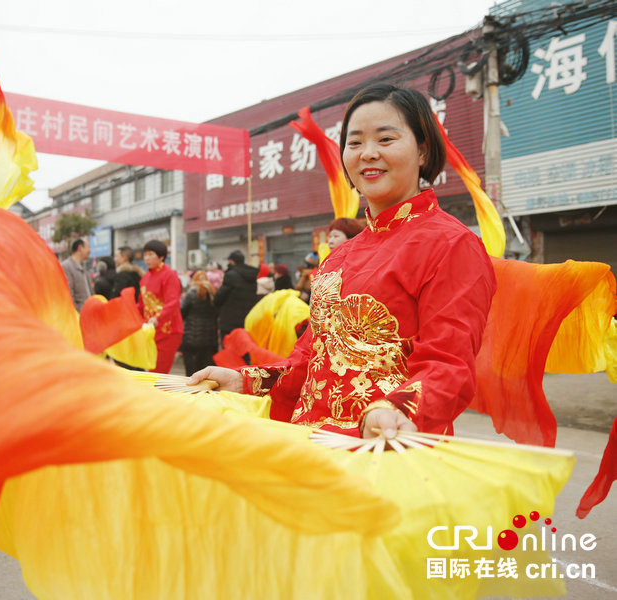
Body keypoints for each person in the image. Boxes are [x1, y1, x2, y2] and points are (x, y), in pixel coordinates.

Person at [191, 83, 496, 440]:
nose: (368, 153)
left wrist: (395, 409)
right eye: (355, 143)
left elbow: (450, 365)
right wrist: (245, 379)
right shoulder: (339, 256)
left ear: (424, 151)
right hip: (311, 449)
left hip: (384, 449)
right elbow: (310, 358)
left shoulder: (452, 244)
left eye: (385, 140)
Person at [137, 240, 183, 374]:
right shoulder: (145, 277)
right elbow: (141, 304)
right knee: (151, 372)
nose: (147, 258)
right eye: (145, 254)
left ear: (161, 256)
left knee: (158, 373)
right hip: (151, 331)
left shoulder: (169, 275)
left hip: (168, 330)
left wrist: (158, 318)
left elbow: (173, 302)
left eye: (151, 254)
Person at [213, 250, 259, 342]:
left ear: (232, 261)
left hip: (230, 321)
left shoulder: (231, 275)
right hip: (247, 320)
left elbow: (219, 297)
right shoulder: (252, 275)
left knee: (229, 349)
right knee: (244, 347)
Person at [180, 271, 218, 376]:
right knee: (206, 371)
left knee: (191, 371)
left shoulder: (192, 291)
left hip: (191, 337)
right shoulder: (212, 292)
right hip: (209, 338)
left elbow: (182, 310)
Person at [61, 238, 92, 312]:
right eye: (88, 248)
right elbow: (69, 294)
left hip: (88, 313)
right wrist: (75, 313)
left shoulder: (84, 268)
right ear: (80, 248)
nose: (90, 251)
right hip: (78, 316)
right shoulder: (66, 266)